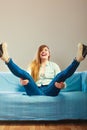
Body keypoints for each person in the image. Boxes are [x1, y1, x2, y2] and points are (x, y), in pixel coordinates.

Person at [0, 42, 87, 96]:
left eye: (46, 50)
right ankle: (6, 59)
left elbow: (63, 80)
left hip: (51, 89)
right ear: (39, 54)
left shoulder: (54, 66)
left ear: (49, 53)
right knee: (25, 75)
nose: (43, 51)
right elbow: (25, 77)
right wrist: (22, 82)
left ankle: (78, 59)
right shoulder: (33, 65)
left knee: (60, 75)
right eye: (41, 50)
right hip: (35, 90)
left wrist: (62, 86)